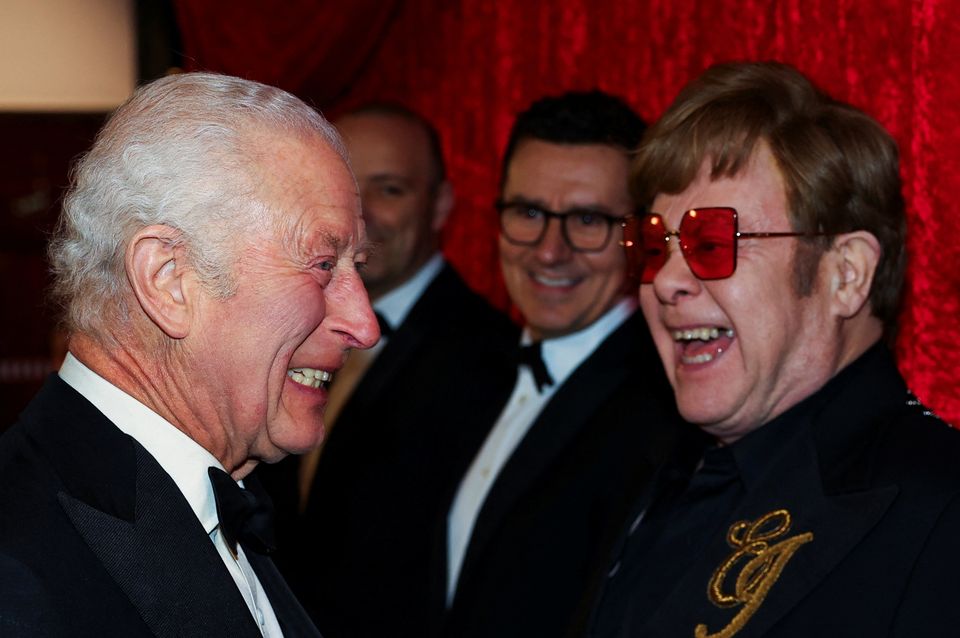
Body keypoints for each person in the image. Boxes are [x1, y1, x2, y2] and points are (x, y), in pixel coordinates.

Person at [584, 61, 960, 638]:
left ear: (846, 275)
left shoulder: (942, 506)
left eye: (712, 241)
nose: (663, 281)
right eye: (654, 246)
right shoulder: (647, 472)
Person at [0, 72, 379, 637]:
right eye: (323, 264)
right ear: (169, 280)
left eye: (359, 267)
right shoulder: (16, 571)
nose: (364, 325)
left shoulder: (223, 503)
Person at [439, 91, 694, 638]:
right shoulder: (460, 371)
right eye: (529, 213)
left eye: (587, 220)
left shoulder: (669, 414)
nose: (550, 251)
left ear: (640, 236)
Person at [273, 104, 518, 637]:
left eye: (390, 190)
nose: (362, 219)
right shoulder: (277, 324)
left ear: (440, 205)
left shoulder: (494, 359)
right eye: (347, 190)